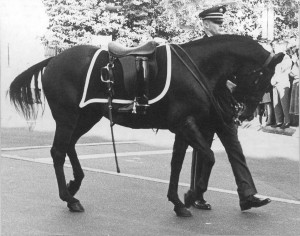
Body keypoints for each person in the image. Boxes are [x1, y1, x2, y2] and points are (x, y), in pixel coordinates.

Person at [186, 5, 271, 211]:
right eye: (217, 23)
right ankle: (197, 194)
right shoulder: (197, 49)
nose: (220, 27)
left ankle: (247, 195)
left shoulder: (225, 47)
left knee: (235, 151)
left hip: (223, 107)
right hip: (205, 108)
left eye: (221, 23)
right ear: (206, 24)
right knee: (203, 153)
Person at [271, 42, 293, 129]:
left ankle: (287, 121)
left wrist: (275, 80)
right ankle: (279, 121)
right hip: (275, 83)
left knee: (284, 104)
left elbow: (282, 70)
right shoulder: (276, 59)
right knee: (276, 103)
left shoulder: (287, 59)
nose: (275, 48)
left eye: (276, 47)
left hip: (283, 83)